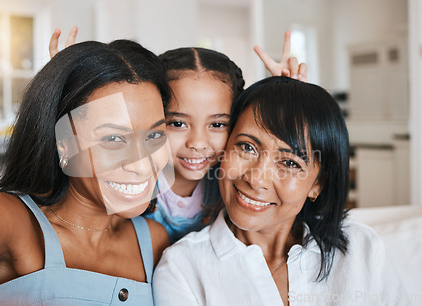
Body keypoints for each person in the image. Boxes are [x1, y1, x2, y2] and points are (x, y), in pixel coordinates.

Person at [0, 39, 171, 305]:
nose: (142, 165)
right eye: (112, 139)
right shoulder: (4, 218)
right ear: (63, 143)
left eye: (155, 135)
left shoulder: (153, 241)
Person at [152, 76, 412, 305]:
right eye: (246, 147)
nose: (256, 179)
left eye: (289, 163)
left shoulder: (361, 248)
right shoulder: (181, 269)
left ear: (318, 184)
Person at [50, 28, 307, 243]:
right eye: (177, 123)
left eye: (217, 125)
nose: (197, 143)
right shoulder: (134, 175)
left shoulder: (234, 184)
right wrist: (69, 92)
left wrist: (286, 104)